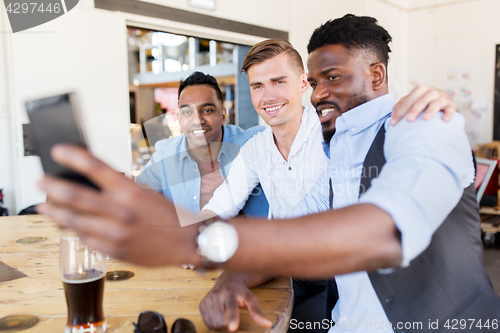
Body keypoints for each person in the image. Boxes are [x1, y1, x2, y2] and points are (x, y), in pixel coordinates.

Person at [36, 14, 500, 333]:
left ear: (376, 75)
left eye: (330, 78)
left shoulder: (422, 122)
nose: (319, 93)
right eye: (316, 82)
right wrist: (232, 271)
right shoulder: (335, 137)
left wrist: (195, 242)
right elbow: (253, 214)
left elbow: (384, 234)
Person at [136, 71, 268, 222]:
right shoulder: (165, 155)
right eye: (187, 112)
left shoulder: (253, 142)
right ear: (179, 118)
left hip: (255, 242)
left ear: (223, 114)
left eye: (207, 110)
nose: (197, 120)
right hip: (194, 243)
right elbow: (137, 201)